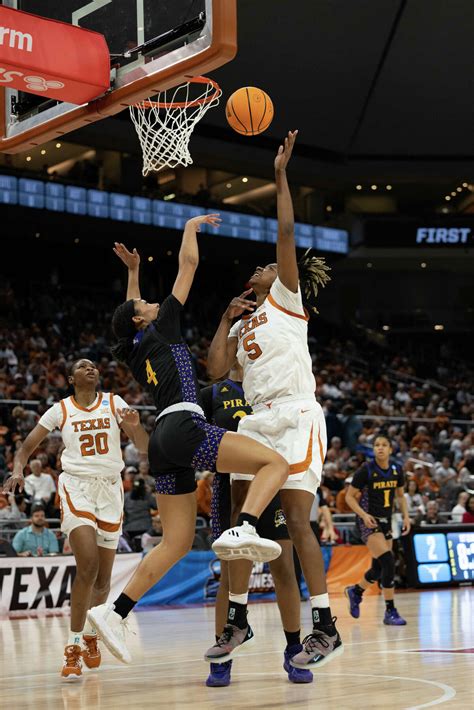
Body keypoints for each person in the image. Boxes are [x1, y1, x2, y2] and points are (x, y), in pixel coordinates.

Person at [87, 216, 289, 665]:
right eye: (147, 301)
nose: (155, 302)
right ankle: (248, 526)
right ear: (145, 317)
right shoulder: (164, 325)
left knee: (175, 542)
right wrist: (191, 226)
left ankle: (115, 612)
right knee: (275, 463)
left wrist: (135, 274)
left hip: (162, 441)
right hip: (183, 426)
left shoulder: (137, 345)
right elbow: (189, 265)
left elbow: (127, 316)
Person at [203, 131, 341, 671]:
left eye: (267, 264)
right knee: (243, 521)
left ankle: (324, 625)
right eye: (260, 266)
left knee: (297, 522)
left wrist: (281, 176)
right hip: (257, 420)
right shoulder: (244, 324)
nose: (261, 266)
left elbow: (285, 230)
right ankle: (237, 619)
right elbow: (216, 371)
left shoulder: (286, 297)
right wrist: (224, 320)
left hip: (295, 412)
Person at [3, 358, 149, 679]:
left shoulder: (114, 402)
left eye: (94, 366)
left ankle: (91, 637)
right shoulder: (61, 410)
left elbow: (143, 448)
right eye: (83, 366)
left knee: (103, 580)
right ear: (71, 378)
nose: (91, 368)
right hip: (77, 487)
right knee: (88, 565)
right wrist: (17, 469)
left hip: (110, 490)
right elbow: (28, 445)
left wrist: (136, 426)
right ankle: (72, 645)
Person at [201, 366, 312, 686]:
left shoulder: (274, 389)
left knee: (285, 571)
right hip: (231, 489)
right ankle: (224, 653)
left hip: (273, 485)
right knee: (231, 576)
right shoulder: (213, 394)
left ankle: (294, 649)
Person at [344, 434, 411, 626]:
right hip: (368, 521)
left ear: (391, 449)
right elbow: (350, 497)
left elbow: (400, 496)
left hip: (386, 521)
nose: (380, 448)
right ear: (373, 450)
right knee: (389, 562)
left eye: (384, 445)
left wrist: (406, 516)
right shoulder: (366, 470)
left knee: (378, 568)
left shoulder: (397, 469)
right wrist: (363, 515)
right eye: (376, 445)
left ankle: (356, 591)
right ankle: (390, 611)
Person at [123, 478, 157, 542]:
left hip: (129, 528)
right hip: (146, 528)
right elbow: (156, 506)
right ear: (144, 486)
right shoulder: (148, 496)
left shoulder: (126, 496)